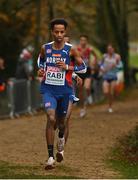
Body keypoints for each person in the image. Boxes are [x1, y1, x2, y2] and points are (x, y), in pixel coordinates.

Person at [37, 18, 86, 169]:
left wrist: (68, 68)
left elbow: (83, 68)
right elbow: (41, 62)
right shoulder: (45, 48)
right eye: (56, 31)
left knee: (62, 122)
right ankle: (50, 157)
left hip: (65, 91)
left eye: (62, 32)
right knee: (51, 119)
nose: (59, 34)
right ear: (52, 32)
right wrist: (40, 70)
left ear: (65, 32)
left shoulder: (71, 49)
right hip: (49, 89)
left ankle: (61, 141)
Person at [76, 35, 98, 118]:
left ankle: (89, 96)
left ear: (87, 41)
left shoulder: (90, 49)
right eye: (81, 40)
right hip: (79, 71)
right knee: (80, 92)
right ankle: (82, 109)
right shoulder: (76, 49)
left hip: (87, 70)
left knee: (87, 87)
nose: (83, 42)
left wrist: (94, 64)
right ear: (80, 41)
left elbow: (96, 56)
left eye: (84, 40)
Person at [100, 44, 121, 113]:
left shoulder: (117, 56)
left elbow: (120, 66)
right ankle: (109, 101)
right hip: (106, 76)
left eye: (111, 49)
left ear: (113, 49)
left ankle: (110, 106)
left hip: (113, 77)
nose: (110, 50)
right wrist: (102, 69)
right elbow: (100, 64)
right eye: (108, 49)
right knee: (105, 92)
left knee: (111, 93)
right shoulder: (104, 56)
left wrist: (116, 64)